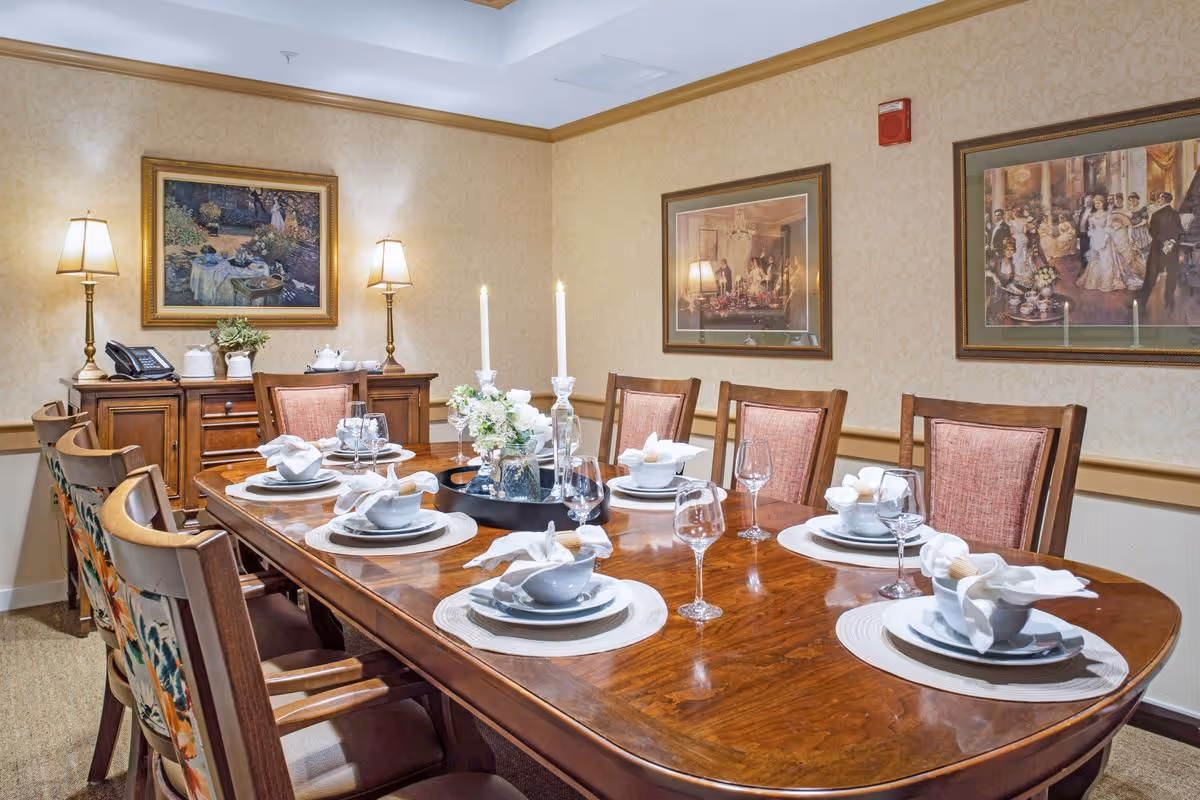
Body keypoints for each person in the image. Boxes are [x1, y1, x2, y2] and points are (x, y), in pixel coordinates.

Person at [1140, 191, 1185, 311]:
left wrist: (1165, 242)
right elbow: (1180, 231)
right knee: (1172, 276)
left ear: (1164, 200)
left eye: (1159, 199)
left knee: (1151, 275)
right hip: (1172, 249)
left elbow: (1153, 232)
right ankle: (1169, 301)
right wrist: (1171, 242)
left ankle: (1142, 303)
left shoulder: (1156, 214)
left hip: (1157, 249)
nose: (1158, 201)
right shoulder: (1176, 214)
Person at [1076, 195, 1127, 292]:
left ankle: (1106, 282)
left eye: (1099, 203)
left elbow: (1108, 228)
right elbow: (1090, 229)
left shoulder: (1107, 215)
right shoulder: (1092, 216)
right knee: (1095, 260)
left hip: (1105, 239)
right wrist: (1093, 237)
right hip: (1095, 239)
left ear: (1103, 203)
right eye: (1095, 203)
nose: (1097, 205)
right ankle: (1094, 282)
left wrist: (1104, 239)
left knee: (1105, 260)